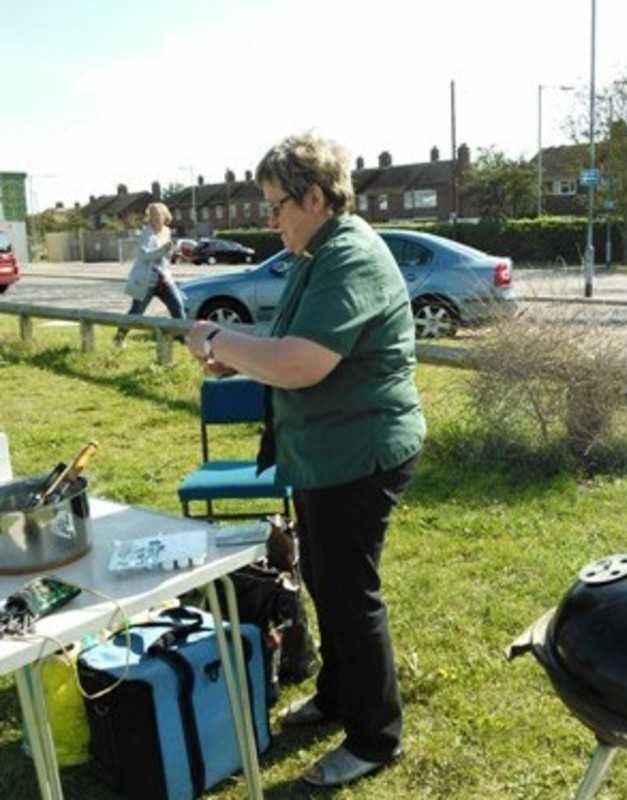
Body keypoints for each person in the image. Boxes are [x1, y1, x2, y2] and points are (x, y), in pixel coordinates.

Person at [186, 132, 426, 787]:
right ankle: (338, 697)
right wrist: (235, 353)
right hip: (325, 453)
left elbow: (301, 363)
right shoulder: (315, 253)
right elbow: (290, 342)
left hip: (361, 452)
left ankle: (375, 738)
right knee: (323, 576)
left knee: (350, 594)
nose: (270, 220)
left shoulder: (349, 256)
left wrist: (219, 337)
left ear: (315, 197)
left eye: (276, 206)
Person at [114, 202, 186, 346]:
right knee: (136, 312)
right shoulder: (146, 233)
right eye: (152, 215)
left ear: (165, 216)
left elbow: (165, 256)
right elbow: (144, 255)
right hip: (147, 281)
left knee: (177, 306)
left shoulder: (167, 231)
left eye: (158, 215)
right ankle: (119, 338)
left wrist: (173, 252)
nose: (155, 218)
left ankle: (181, 337)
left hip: (164, 279)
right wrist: (164, 250)